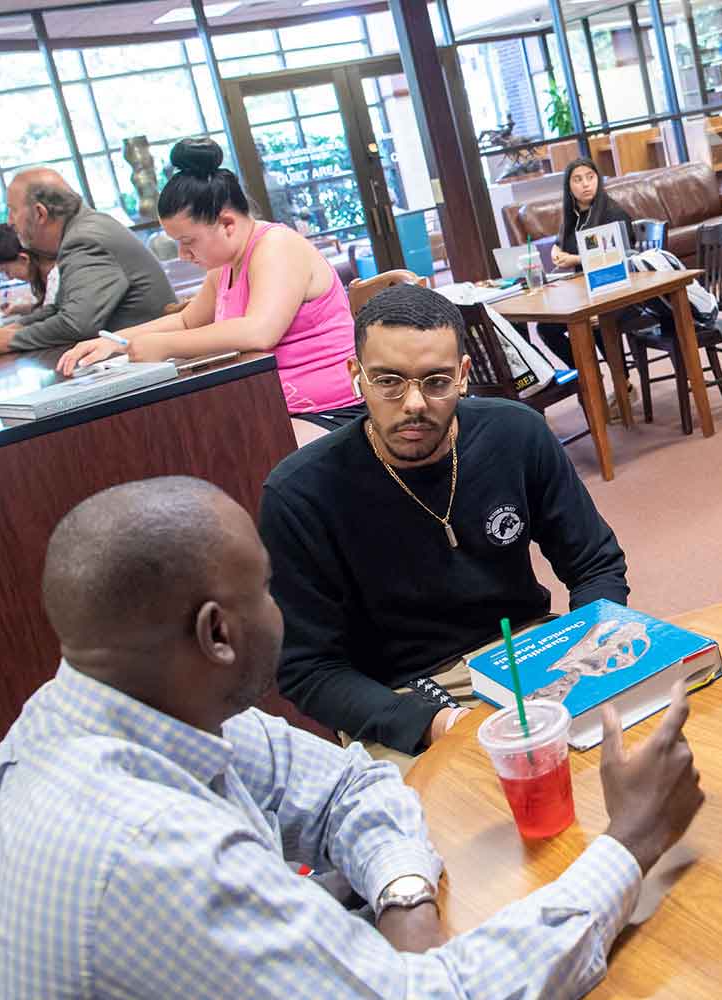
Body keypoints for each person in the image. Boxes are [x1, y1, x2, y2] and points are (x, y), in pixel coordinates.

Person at [0, 476, 703, 998]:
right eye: (267, 590)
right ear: (217, 633)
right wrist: (630, 840)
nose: (282, 610)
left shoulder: (105, 708)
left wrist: (404, 902)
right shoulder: (150, 854)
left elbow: (351, 782)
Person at [258, 283, 629, 766]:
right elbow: (307, 668)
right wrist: (434, 724)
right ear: (357, 376)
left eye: (435, 381)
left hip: (536, 652)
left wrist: (586, 652)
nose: (413, 403)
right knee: (458, 827)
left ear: (463, 375)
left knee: (649, 744)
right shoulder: (298, 493)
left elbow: (595, 563)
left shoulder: (515, 433)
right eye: (388, 380)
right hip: (401, 696)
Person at [57, 139, 361, 447]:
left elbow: (259, 331)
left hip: (332, 407)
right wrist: (114, 343)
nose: (182, 254)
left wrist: (163, 345)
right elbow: (188, 321)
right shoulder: (226, 264)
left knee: (232, 456)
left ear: (227, 223)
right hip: (274, 404)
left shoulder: (277, 247)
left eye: (188, 241)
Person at [0, 168, 175, 358]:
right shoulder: (82, 229)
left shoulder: (83, 240)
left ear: (40, 213)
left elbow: (77, 324)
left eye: (12, 210)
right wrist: (12, 329)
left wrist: (11, 340)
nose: (10, 221)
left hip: (149, 363)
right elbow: (60, 309)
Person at [535, 157, 633, 370]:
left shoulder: (612, 213)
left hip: (618, 290)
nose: (586, 184)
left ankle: (622, 382)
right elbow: (561, 242)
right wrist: (556, 249)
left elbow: (621, 257)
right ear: (569, 187)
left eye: (590, 177)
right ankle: (588, 376)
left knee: (595, 321)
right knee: (546, 328)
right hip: (586, 292)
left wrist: (576, 260)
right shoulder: (574, 216)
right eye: (578, 180)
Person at [0, 222, 57, 317]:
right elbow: (49, 309)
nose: (9, 278)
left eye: (6, 271)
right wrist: (19, 309)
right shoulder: (42, 280)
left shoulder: (57, 278)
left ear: (24, 259)